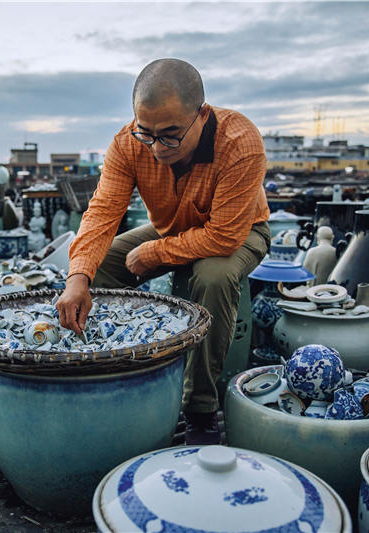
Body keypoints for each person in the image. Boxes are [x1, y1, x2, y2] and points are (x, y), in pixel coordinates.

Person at [56, 58, 270, 444]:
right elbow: (102, 212)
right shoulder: (127, 143)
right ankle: (116, 369)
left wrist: (154, 253)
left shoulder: (240, 141)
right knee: (97, 267)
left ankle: (200, 407)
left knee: (213, 275)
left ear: (201, 115)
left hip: (241, 230)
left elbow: (223, 237)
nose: (157, 148)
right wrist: (77, 277)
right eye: (147, 134)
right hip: (172, 226)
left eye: (170, 135)